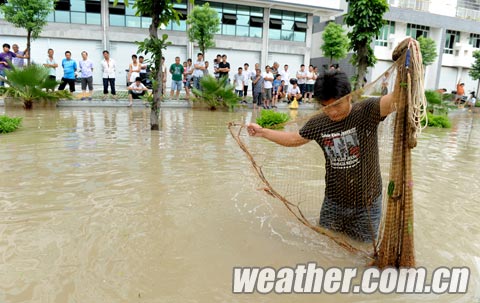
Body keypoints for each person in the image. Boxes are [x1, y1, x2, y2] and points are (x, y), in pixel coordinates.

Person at [247, 70, 395, 242]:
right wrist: (263, 133)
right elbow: (294, 139)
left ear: (349, 97)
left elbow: (398, 98)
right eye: (326, 106)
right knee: (324, 245)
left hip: (367, 205)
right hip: (334, 202)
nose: (331, 112)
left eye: (336, 105)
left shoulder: (366, 112)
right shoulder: (319, 123)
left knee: (363, 251)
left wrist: (410, 64)